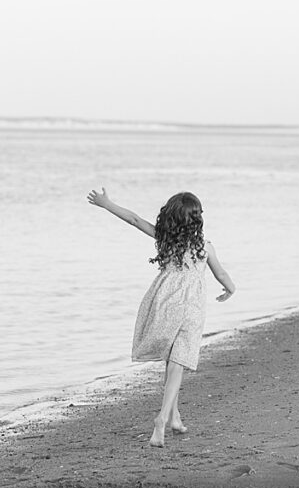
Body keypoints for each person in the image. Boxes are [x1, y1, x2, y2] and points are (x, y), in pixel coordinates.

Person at [87, 188, 236, 447]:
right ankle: (162, 419)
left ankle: (175, 417)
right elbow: (220, 273)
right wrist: (231, 289)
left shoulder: (166, 239)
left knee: (172, 362)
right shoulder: (205, 247)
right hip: (191, 309)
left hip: (164, 302)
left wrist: (106, 204)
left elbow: (133, 219)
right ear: (197, 218)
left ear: (171, 217)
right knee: (178, 362)